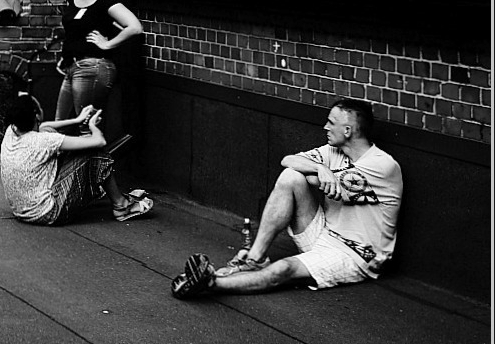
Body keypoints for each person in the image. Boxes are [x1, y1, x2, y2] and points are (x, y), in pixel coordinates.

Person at [172, 98, 402, 299]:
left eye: (331, 123)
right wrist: (321, 168)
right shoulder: (333, 151)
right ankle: (255, 258)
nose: (325, 127)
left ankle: (211, 283)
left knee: (285, 268)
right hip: (324, 233)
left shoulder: (382, 166)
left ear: (348, 130)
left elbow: (317, 182)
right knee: (291, 176)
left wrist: (318, 173)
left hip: (354, 254)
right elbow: (289, 160)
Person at [0, 92, 154, 224]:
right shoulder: (43, 141)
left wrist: (77, 120)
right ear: (36, 115)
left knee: (51, 131)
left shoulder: (11, 131)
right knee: (95, 153)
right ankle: (121, 206)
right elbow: (99, 141)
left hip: (21, 210)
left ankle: (101, 190)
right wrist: (92, 126)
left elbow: (44, 126)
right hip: (48, 212)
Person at [55, 0, 143, 137]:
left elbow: (135, 27)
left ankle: (94, 158)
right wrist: (66, 55)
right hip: (73, 66)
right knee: (59, 126)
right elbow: (74, 29)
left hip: (93, 67)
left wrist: (108, 43)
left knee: (87, 128)